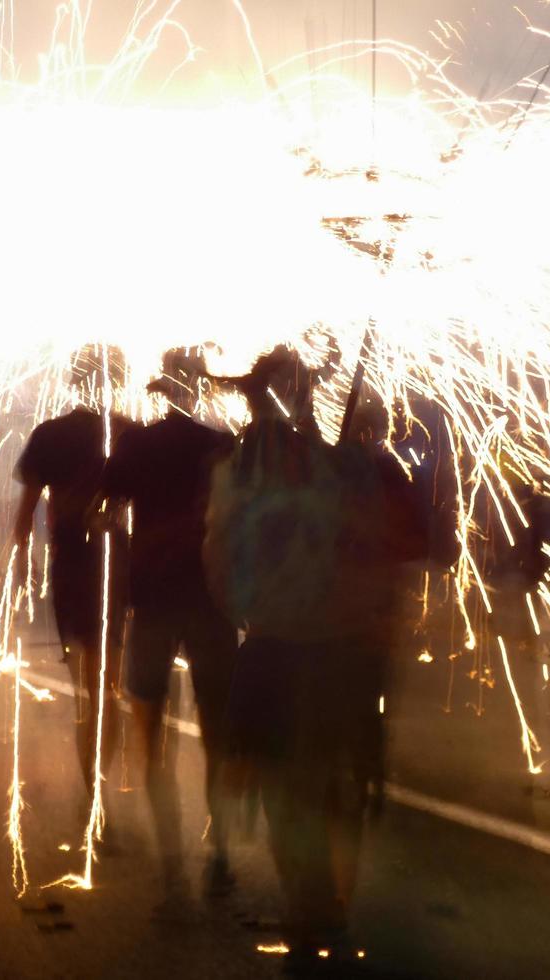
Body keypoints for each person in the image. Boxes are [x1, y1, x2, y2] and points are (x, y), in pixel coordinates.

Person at [205, 347, 423, 965]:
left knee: (288, 796)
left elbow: (221, 568)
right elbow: (396, 552)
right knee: (338, 790)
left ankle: (314, 918)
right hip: (343, 657)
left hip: (277, 650)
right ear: (305, 399)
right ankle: (331, 918)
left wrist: (261, 609)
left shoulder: (239, 470)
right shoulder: (351, 466)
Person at [98, 348, 239, 909]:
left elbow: (101, 512)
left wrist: (120, 528)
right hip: (210, 601)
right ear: (198, 390)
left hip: (152, 601)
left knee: (149, 735)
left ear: (161, 391)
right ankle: (221, 854)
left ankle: (171, 869)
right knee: (217, 733)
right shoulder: (218, 446)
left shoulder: (135, 445)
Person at [13, 347, 131, 810]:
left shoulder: (50, 435)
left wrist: (23, 568)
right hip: (111, 564)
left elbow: (24, 517)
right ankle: (97, 777)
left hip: (72, 569)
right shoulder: (123, 433)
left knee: (89, 684)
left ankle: (93, 783)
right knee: (109, 684)